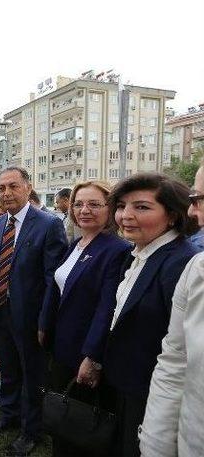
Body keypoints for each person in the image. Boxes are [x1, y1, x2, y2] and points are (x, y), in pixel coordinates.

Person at [103, 172, 198, 457]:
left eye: (141, 207)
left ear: (172, 215)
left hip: (153, 395)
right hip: (126, 383)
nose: (125, 216)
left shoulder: (181, 263)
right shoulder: (138, 254)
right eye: (121, 206)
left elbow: (182, 349)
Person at [38, 181, 131, 456]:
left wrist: (92, 357)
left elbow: (107, 308)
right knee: (63, 418)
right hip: (62, 345)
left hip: (83, 351)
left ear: (110, 208)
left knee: (81, 422)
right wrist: (44, 324)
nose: (84, 210)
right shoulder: (76, 243)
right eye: (78, 204)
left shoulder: (116, 249)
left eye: (93, 204)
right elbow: (57, 286)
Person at [0, 167, 67, 456]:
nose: (6, 193)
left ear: (28, 187)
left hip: (30, 317)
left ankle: (31, 430)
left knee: (32, 374)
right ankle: (9, 415)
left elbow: (51, 279)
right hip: (1, 312)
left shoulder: (48, 224)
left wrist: (45, 320)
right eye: (1, 187)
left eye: (13, 186)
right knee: (7, 367)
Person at [139, 163, 204, 457]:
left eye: (200, 199)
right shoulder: (197, 269)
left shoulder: (181, 258)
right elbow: (175, 361)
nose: (194, 211)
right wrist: (155, 446)